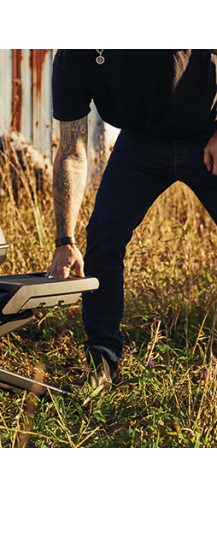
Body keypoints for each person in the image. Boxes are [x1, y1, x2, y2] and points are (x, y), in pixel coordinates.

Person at [47, 49, 217, 393]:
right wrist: (65, 241)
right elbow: (72, 151)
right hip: (141, 142)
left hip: (207, 132)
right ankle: (103, 363)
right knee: (103, 237)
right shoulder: (73, 57)